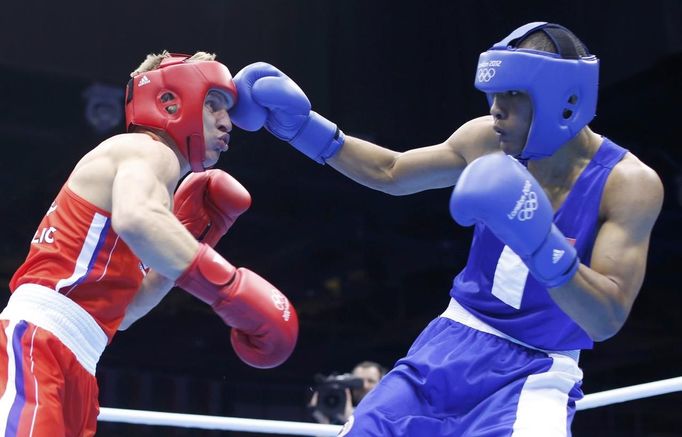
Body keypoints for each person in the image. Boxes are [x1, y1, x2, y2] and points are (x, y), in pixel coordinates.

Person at [228, 22, 664, 436]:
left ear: (559, 99)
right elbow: (391, 172)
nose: (495, 110)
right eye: (493, 94)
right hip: (451, 342)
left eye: (511, 94)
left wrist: (539, 241)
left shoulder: (628, 185)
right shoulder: (488, 140)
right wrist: (304, 129)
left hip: (539, 368)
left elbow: (606, 319)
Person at [0, 51, 299, 437]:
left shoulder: (151, 184)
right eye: (213, 104)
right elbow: (137, 219)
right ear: (171, 101)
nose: (227, 122)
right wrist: (228, 289)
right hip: (37, 343)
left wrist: (188, 238)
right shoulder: (146, 150)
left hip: (79, 362)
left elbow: (126, 313)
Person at [308, 361, 386, 425]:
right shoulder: (337, 413)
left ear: (382, 383)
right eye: (358, 381)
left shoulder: (387, 414)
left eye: (371, 381)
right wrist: (322, 423)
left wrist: (352, 421)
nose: (364, 386)